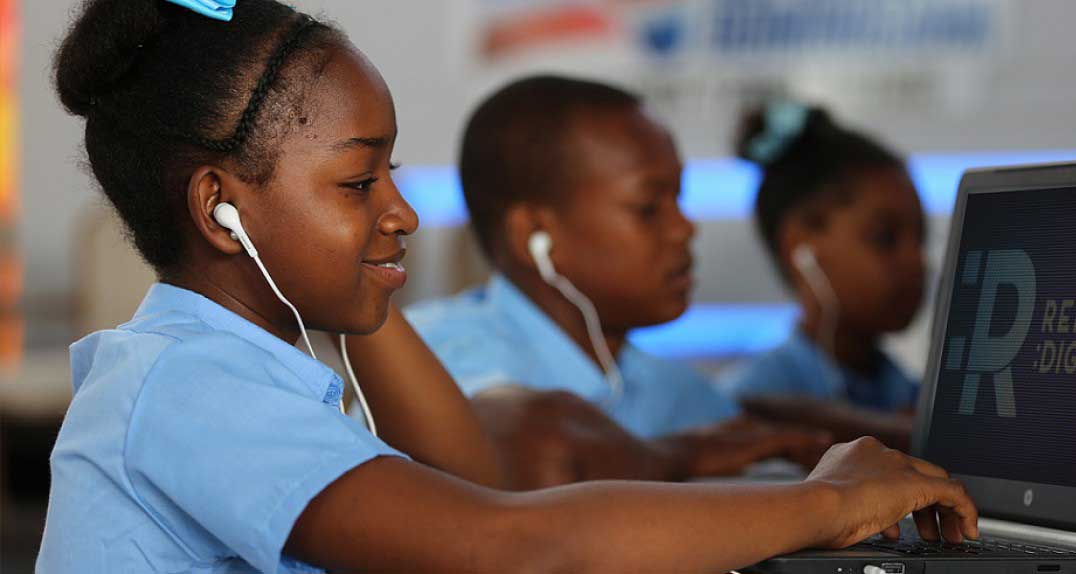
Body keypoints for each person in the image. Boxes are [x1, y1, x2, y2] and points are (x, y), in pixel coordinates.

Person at [37, 2, 978, 571]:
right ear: (222, 211)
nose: (404, 211)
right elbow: (512, 546)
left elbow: (475, 482)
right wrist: (826, 504)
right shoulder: (185, 386)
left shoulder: (258, 369)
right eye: (360, 182)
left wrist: (354, 275)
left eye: (393, 174)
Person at [391, 76, 829, 487]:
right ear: (535, 235)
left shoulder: (675, 391)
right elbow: (525, 452)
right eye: (648, 207)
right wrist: (677, 457)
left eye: (679, 198)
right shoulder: (435, 353)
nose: (684, 228)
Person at [722, 102, 926, 450]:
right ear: (801, 247)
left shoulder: (915, 395)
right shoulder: (742, 407)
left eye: (920, 238)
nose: (916, 260)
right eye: (885, 238)